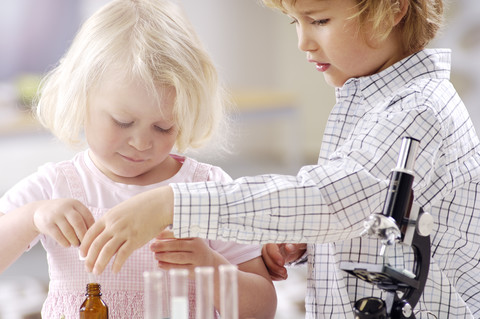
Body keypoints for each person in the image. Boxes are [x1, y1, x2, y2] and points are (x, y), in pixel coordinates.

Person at [80, 0, 480, 317]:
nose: (303, 42)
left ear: (393, 9)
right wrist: (307, 240)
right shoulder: (374, 103)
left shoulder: (417, 112)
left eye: (319, 20)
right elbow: (371, 209)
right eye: (296, 23)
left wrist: (171, 203)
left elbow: (329, 200)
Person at [0, 0, 277, 318]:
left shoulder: (207, 188)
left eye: (163, 127)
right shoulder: (57, 185)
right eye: (122, 121)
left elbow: (263, 309)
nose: (142, 142)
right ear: (81, 98)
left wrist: (209, 266)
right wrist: (31, 217)